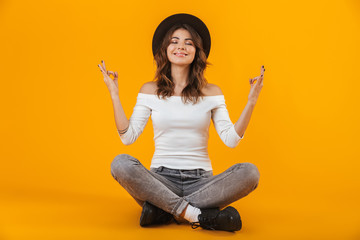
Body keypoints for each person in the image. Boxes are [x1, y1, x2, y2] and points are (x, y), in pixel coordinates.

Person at [98, 13, 265, 232]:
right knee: (120, 163)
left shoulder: (212, 92)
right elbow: (127, 137)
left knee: (250, 173)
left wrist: (251, 101)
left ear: (197, 51)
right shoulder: (150, 90)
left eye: (189, 43)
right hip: (160, 180)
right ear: (165, 50)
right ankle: (197, 214)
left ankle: (164, 210)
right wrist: (114, 95)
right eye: (174, 42)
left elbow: (231, 140)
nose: (181, 47)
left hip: (202, 182)